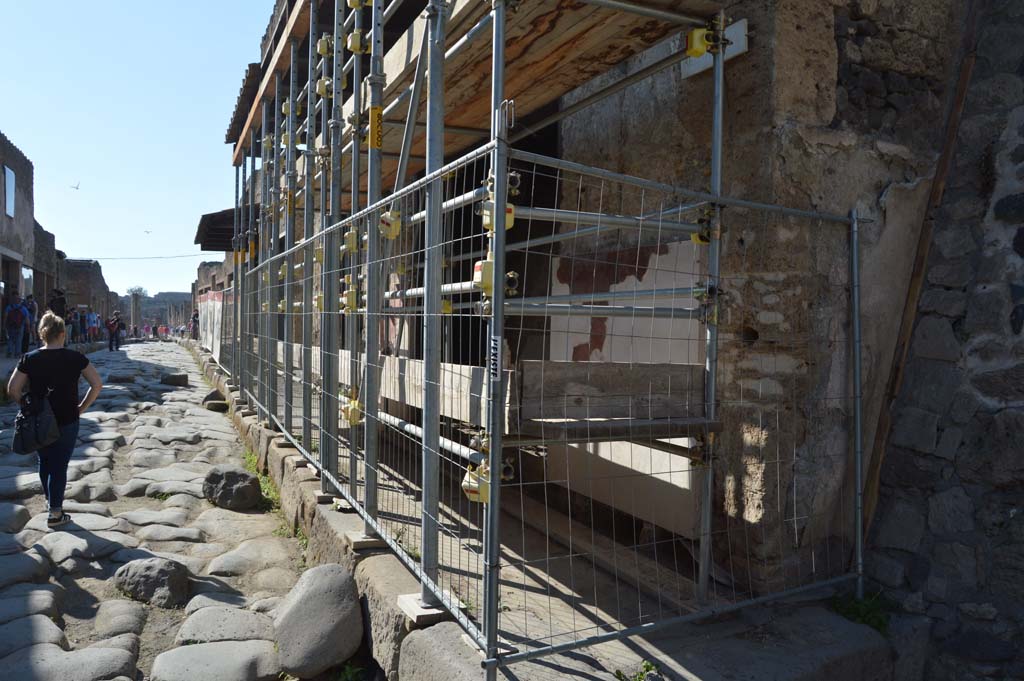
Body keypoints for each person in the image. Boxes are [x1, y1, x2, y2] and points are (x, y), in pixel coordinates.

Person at [6, 312, 102, 527]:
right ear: (62, 333)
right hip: (68, 417)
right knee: (59, 465)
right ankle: (56, 513)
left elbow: (13, 388)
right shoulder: (75, 358)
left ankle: (51, 501)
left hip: (39, 419)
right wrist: (81, 408)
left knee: (45, 461)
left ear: (42, 334)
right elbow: (97, 384)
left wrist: (27, 406)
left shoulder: (29, 358)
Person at [3, 293, 29, 358]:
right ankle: (17, 353)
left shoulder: (9, 307)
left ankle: (9, 352)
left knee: (10, 339)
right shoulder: (23, 308)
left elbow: (5, 317)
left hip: (10, 326)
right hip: (20, 326)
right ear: (20, 301)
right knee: (19, 340)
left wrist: (4, 325)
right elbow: (27, 319)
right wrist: (28, 327)